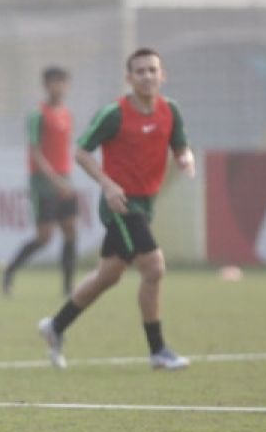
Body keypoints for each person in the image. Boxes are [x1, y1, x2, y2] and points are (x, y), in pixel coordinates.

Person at [37, 48, 194, 371]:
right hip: (120, 205)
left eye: (153, 70)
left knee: (107, 276)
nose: (147, 76)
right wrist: (107, 185)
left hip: (146, 203)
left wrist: (184, 156)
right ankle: (158, 350)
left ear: (162, 75)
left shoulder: (170, 110)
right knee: (154, 268)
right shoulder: (114, 114)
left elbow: (179, 143)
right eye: (140, 71)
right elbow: (81, 152)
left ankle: (56, 326)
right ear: (129, 78)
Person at [2, 66, 78, 297]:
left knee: (71, 232)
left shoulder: (66, 113)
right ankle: (10, 271)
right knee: (44, 237)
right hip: (44, 183)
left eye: (63, 82)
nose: (59, 87)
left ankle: (68, 288)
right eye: (54, 82)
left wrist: (65, 178)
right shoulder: (37, 114)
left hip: (65, 180)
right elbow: (35, 151)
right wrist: (54, 179)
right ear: (45, 85)